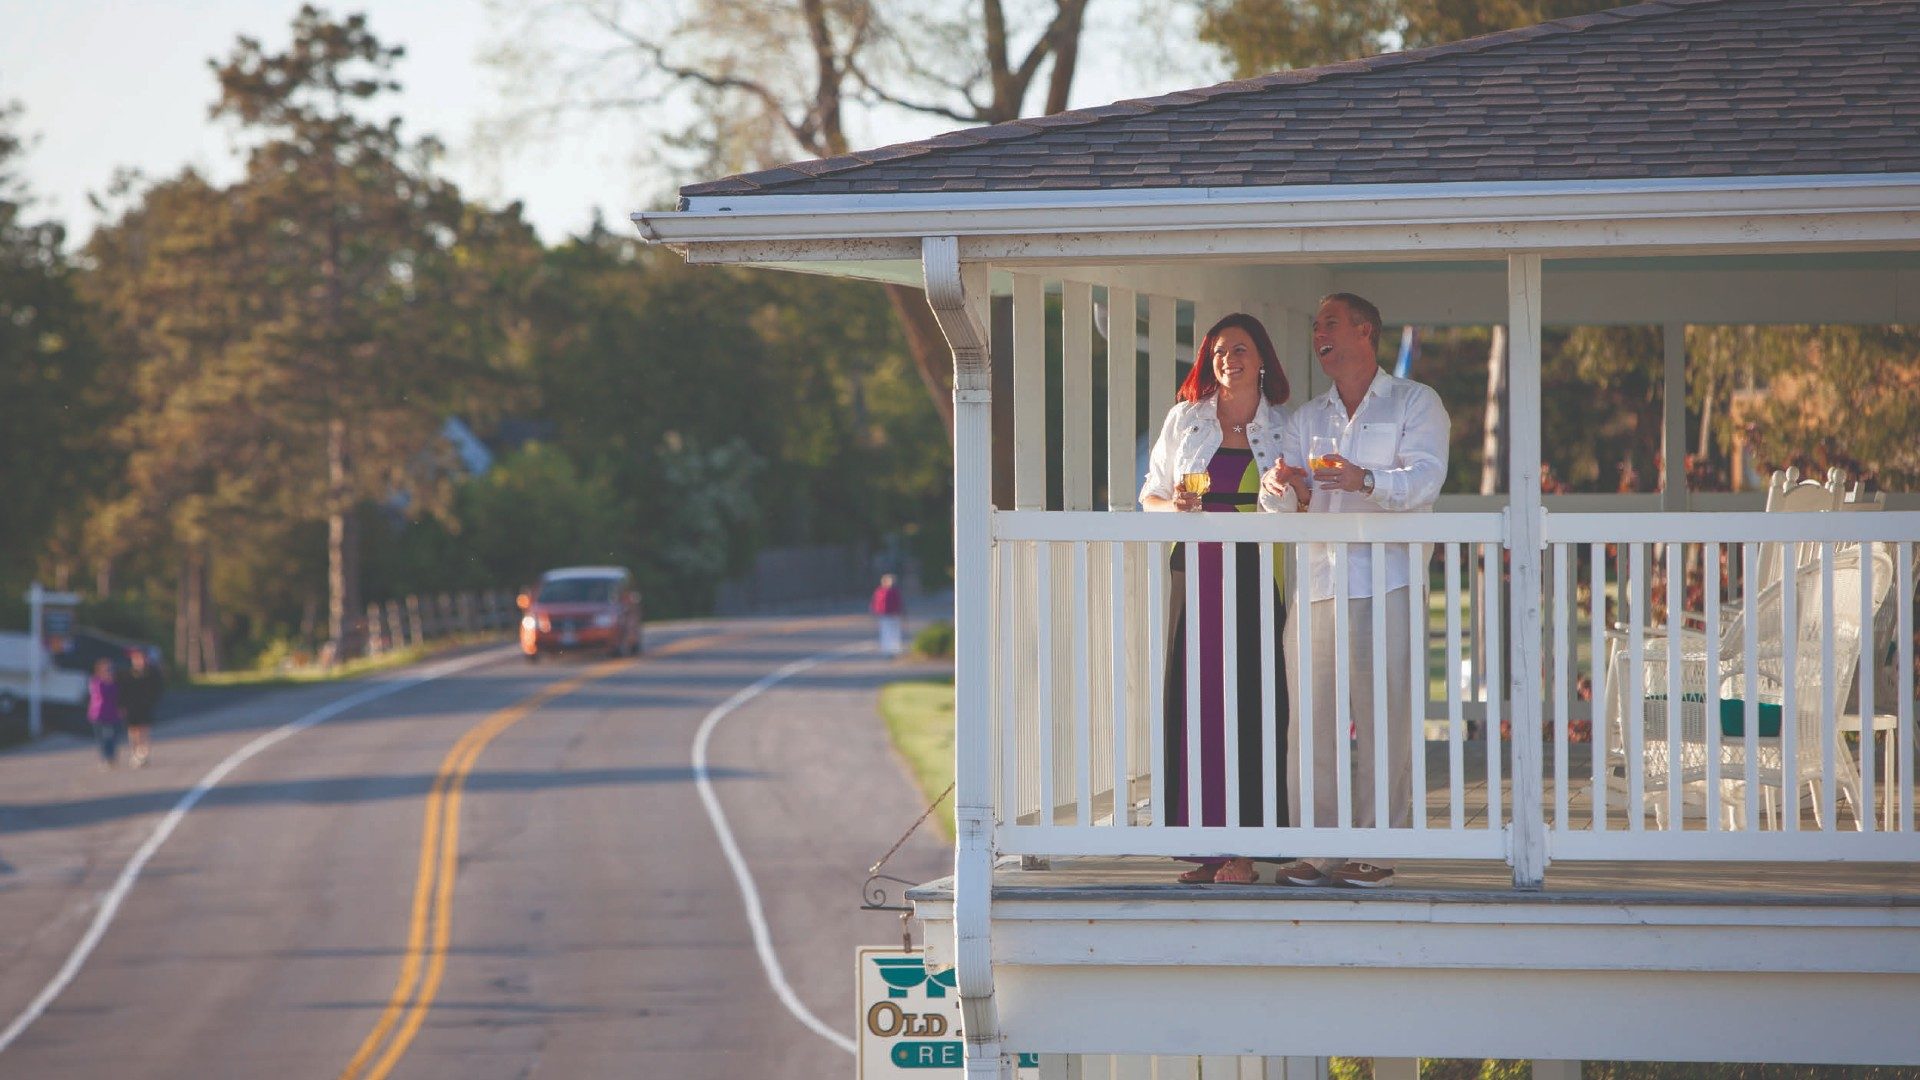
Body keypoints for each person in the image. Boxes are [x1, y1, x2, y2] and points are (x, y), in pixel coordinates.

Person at [1260, 292, 1449, 889]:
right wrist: (1282, 484)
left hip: (1387, 579)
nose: (1321, 333)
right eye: (1317, 325)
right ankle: (1317, 849)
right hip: (1319, 583)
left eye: (1332, 323)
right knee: (1311, 722)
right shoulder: (1306, 419)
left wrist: (1364, 479)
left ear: (1365, 331)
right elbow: (1282, 507)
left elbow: (1425, 480)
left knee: (1384, 716)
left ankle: (1378, 847)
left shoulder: (1415, 402)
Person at [1141, 312, 1293, 884]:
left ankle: (1245, 851)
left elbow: (1297, 501)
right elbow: (1150, 497)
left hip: (1252, 573)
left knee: (1251, 701)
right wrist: (1172, 509)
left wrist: (1286, 490)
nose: (1230, 357)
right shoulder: (1185, 419)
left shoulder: (1283, 426)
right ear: (1210, 360)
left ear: (1262, 360)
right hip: (1195, 572)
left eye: (1242, 348)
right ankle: (1204, 847)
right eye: (1221, 350)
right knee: (1196, 701)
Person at [122, 649, 165, 768]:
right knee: (133, 730)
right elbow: (122, 691)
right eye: (136, 658)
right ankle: (135, 752)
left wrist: (151, 701)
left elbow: (158, 689)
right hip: (131, 707)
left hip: (145, 706)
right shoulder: (127, 674)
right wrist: (121, 705)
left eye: (141, 658)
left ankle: (143, 753)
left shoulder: (151, 673)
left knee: (144, 730)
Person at [87, 657, 125, 770]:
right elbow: (101, 696)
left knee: (113, 737)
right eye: (106, 669)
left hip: (114, 713)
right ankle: (105, 757)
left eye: (110, 669)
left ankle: (111, 757)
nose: (109, 671)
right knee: (101, 738)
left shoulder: (117, 683)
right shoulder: (96, 682)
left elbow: (121, 697)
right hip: (98, 714)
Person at [871, 574, 906, 657]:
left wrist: (900, 612)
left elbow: (898, 603)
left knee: (895, 631)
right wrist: (876, 611)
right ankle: (886, 649)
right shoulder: (880, 591)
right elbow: (876, 603)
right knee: (886, 632)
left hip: (894, 614)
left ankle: (896, 649)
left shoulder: (894, 591)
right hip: (884, 615)